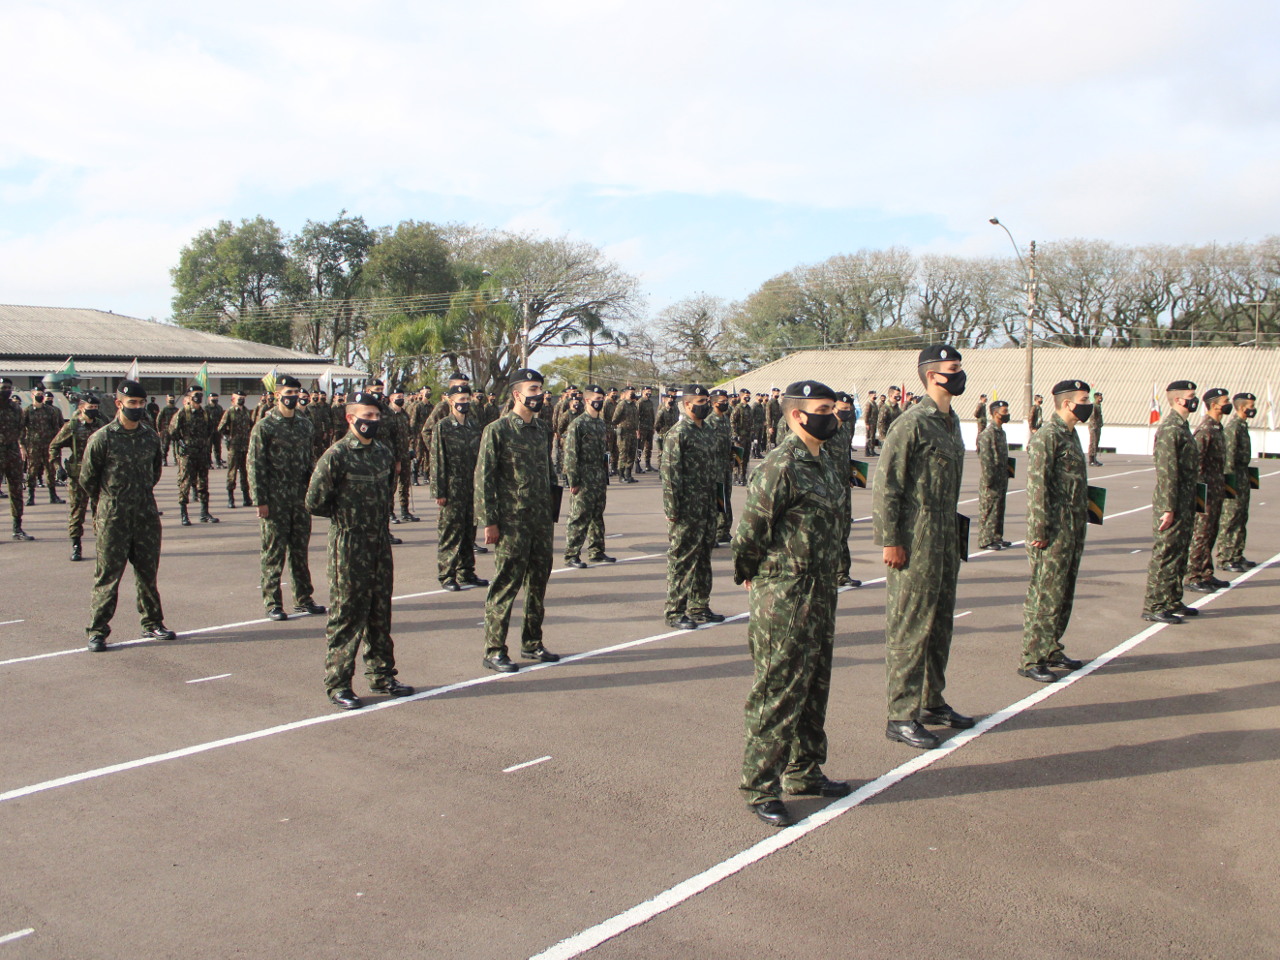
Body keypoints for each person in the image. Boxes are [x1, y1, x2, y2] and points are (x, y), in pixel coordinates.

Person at [736, 380, 853, 828]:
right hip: (785, 592)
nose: (834, 415)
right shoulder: (780, 465)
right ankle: (759, 785)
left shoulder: (824, 461)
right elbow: (749, 533)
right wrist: (754, 574)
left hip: (821, 589)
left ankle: (804, 771)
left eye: (834, 407)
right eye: (823, 409)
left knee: (814, 684)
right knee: (777, 689)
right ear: (797, 415)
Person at [872, 345, 973, 751]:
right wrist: (891, 540)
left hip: (945, 533)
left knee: (939, 625)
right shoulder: (911, 423)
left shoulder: (951, 421)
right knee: (910, 626)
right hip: (915, 538)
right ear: (932, 376)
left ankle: (932, 702)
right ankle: (901, 714)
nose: (960, 375)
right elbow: (887, 485)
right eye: (953, 370)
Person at [306, 392, 413, 709]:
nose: (374, 421)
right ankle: (338, 683)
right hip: (349, 544)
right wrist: (347, 518)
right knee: (347, 615)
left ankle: (382, 675)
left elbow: (387, 491)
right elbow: (314, 501)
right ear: (351, 418)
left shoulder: (382, 452)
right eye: (367, 415)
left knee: (380, 612)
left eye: (377, 416)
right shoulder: (336, 455)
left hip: (379, 541)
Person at [80, 379, 176, 651]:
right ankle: (97, 630)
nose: (136, 408)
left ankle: (153, 623)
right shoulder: (102, 438)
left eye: (140, 404)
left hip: (145, 514)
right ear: (119, 404)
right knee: (108, 576)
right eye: (131, 403)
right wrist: (107, 503)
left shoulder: (149, 436)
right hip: (113, 516)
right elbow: (88, 479)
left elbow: (155, 472)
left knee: (148, 574)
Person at [474, 368, 560, 673]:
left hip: (539, 520)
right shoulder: (497, 431)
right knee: (506, 584)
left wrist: (552, 511)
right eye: (533, 389)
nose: (539, 395)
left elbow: (548, 474)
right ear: (517, 395)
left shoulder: (541, 430)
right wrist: (489, 521)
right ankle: (494, 649)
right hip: (512, 522)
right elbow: (484, 479)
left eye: (540, 390)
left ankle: (532, 642)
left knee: (538, 583)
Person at [1018, 381, 1092, 683]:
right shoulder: (1047, 437)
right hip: (1052, 529)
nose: (1089, 404)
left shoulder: (1071, 436)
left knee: (1063, 593)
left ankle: (1051, 647)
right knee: (1045, 594)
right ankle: (1032, 657)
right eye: (1084, 399)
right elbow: (1038, 486)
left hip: (1072, 527)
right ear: (1067, 403)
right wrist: (1039, 528)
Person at [248, 375, 325, 622]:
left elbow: (309, 460)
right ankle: (273, 603)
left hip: (299, 498)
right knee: (274, 552)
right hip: (275, 499)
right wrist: (260, 500)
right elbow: (255, 464)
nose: (293, 396)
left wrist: (313, 492)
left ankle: (303, 599)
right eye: (288, 392)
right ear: (277, 394)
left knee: (299, 551)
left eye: (296, 392)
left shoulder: (304, 423)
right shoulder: (265, 426)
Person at [662, 385, 724, 629]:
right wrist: (672, 510)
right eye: (701, 400)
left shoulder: (708, 430)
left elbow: (714, 469)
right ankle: (675, 611)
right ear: (687, 405)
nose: (706, 404)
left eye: (707, 400)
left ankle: (699, 607)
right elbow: (670, 474)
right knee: (682, 558)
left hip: (707, 504)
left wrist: (718, 503)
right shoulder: (678, 433)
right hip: (686, 507)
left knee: (703, 557)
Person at [1141, 381, 1201, 624]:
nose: (1194, 400)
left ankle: (1172, 599)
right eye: (1191, 396)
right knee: (1165, 553)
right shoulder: (1170, 429)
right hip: (1172, 503)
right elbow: (1166, 470)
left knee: (1179, 552)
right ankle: (1154, 604)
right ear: (1178, 400)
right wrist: (1168, 507)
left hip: (1185, 500)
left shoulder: (1183, 427)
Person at [431, 384, 489, 591]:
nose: (464, 403)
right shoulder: (443, 426)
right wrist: (439, 491)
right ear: (450, 401)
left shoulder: (474, 426)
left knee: (469, 531)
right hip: (452, 486)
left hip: (471, 486)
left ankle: (466, 572)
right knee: (450, 531)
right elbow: (438, 460)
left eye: (467, 399)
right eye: (460, 400)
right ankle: (447, 574)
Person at [48, 392, 107, 560]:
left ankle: (101, 544)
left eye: (96, 408)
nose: (93, 411)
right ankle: (76, 545)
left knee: (101, 511)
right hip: (78, 476)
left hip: (98, 475)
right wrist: (58, 467)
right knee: (77, 512)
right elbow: (54, 446)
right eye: (90, 408)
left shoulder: (101, 426)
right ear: (82, 408)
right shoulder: (73, 426)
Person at [1185, 388, 1232, 594]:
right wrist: (1197, 497)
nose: (1228, 403)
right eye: (1225, 401)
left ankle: (1206, 572)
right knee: (1201, 534)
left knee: (1211, 533)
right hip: (1205, 493)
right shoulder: (1205, 430)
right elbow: (1196, 464)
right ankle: (1194, 575)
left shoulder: (1218, 428)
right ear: (1214, 405)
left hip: (1216, 491)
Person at [563, 384, 615, 568]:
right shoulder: (578, 424)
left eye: (602, 399)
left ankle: (597, 551)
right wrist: (574, 480)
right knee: (579, 517)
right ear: (587, 400)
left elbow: (603, 452)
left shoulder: (600, 424)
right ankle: (571, 555)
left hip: (598, 477)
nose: (600, 402)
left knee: (597, 516)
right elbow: (571, 455)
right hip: (583, 478)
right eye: (597, 399)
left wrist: (605, 475)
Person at [1217, 393, 1258, 573]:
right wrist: (1229, 486)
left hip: (1242, 477)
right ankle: (1226, 557)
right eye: (1250, 405)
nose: (1253, 409)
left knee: (1241, 517)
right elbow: (1229, 460)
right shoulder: (1233, 428)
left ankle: (1237, 553)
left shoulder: (1242, 426)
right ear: (1241, 408)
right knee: (1231, 519)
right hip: (1233, 478)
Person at [168, 384, 218, 525]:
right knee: (185, 483)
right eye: (195, 395)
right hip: (187, 455)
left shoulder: (205, 413)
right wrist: (181, 442)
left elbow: (210, 430)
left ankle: (204, 513)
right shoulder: (182, 413)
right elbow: (172, 431)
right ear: (189, 397)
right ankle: (184, 514)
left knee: (203, 483)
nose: (198, 397)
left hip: (201, 453)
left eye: (200, 395)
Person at [829, 391, 862, 588]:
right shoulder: (826, 431)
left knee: (843, 530)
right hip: (829, 489)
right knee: (830, 531)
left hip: (843, 486)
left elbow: (845, 454)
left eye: (849, 410)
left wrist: (852, 473)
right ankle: (829, 572)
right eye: (842, 410)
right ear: (833, 409)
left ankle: (842, 573)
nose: (846, 413)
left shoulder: (844, 430)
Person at [0, 378, 33, 541]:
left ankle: (17, 528)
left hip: (12, 451)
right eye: (2, 387)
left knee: (16, 490)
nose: (4, 390)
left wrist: (21, 446)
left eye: (7, 387)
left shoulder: (16, 408)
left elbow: (22, 430)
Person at [976, 400, 1012, 551]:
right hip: (991, 478)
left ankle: (997, 536)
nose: (1007, 414)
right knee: (989, 509)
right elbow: (986, 459)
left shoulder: (1001, 432)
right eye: (1004, 411)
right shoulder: (987, 434)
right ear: (995, 413)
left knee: (999, 507)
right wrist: (989, 480)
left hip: (1001, 476)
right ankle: (985, 539)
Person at [22, 389, 64, 505]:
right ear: (32, 396)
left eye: (41, 395)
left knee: (50, 471)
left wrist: (56, 444)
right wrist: (22, 446)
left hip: (48, 445)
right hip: (33, 446)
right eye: (38, 395)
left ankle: (53, 495)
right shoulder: (27, 411)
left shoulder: (50, 411)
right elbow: (21, 429)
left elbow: (56, 427)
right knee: (32, 471)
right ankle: (30, 496)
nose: (40, 397)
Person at [708, 388, 735, 544]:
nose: (726, 404)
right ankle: (713, 533)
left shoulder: (725, 419)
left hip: (726, 465)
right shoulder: (709, 421)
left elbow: (729, 442)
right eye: (722, 402)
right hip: (715, 465)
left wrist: (734, 460)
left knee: (726, 498)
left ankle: (724, 530)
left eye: (726, 401)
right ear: (713, 403)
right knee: (716, 499)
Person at [219, 390, 254, 508]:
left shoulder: (246, 412)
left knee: (245, 472)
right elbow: (221, 427)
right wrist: (227, 437)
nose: (241, 400)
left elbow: (251, 426)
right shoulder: (229, 412)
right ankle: (231, 498)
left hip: (245, 446)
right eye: (239, 398)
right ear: (233, 399)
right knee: (232, 473)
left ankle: (246, 497)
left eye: (243, 398)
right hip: (234, 447)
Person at [731, 388, 754, 485]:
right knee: (738, 458)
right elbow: (732, 422)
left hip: (747, 437)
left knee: (746, 458)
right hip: (739, 437)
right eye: (745, 396)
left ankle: (743, 476)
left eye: (748, 396)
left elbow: (751, 422)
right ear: (741, 396)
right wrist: (735, 434)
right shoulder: (738, 408)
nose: (747, 397)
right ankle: (736, 477)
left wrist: (753, 434)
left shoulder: (749, 408)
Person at [637, 385, 657, 473]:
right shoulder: (640, 402)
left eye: (650, 391)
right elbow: (636, 416)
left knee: (649, 447)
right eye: (647, 391)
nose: (649, 393)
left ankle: (648, 465)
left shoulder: (650, 402)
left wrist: (653, 427)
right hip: (642, 428)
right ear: (643, 392)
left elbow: (652, 415)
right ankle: (637, 464)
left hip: (649, 427)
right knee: (640, 447)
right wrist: (637, 429)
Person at [206, 393, 225, 467]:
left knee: (217, 447)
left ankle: (218, 461)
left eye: (216, 398)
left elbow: (222, 419)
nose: (214, 399)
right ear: (209, 399)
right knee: (208, 447)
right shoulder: (206, 408)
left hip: (217, 430)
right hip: (209, 431)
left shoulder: (219, 408)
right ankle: (208, 462)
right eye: (213, 398)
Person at [1087, 391, 1104, 466]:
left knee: (1096, 442)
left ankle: (1094, 458)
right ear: (1096, 397)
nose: (1101, 398)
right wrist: (1095, 425)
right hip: (1094, 426)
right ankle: (1091, 460)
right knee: (1093, 443)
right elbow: (1093, 417)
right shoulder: (1094, 406)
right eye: (1099, 397)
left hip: (1097, 426)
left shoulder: (1098, 405)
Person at [863, 390, 880, 456]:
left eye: (875, 395)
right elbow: (866, 414)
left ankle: (872, 450)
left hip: (874, 423)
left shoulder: (874, 403)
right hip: (870, 423)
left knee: (873, 437)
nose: (875, 396)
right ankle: (868, 451)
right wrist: (866, 423)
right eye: (874, 395)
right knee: (869, 437)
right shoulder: (869, 403)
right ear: (870, 395)